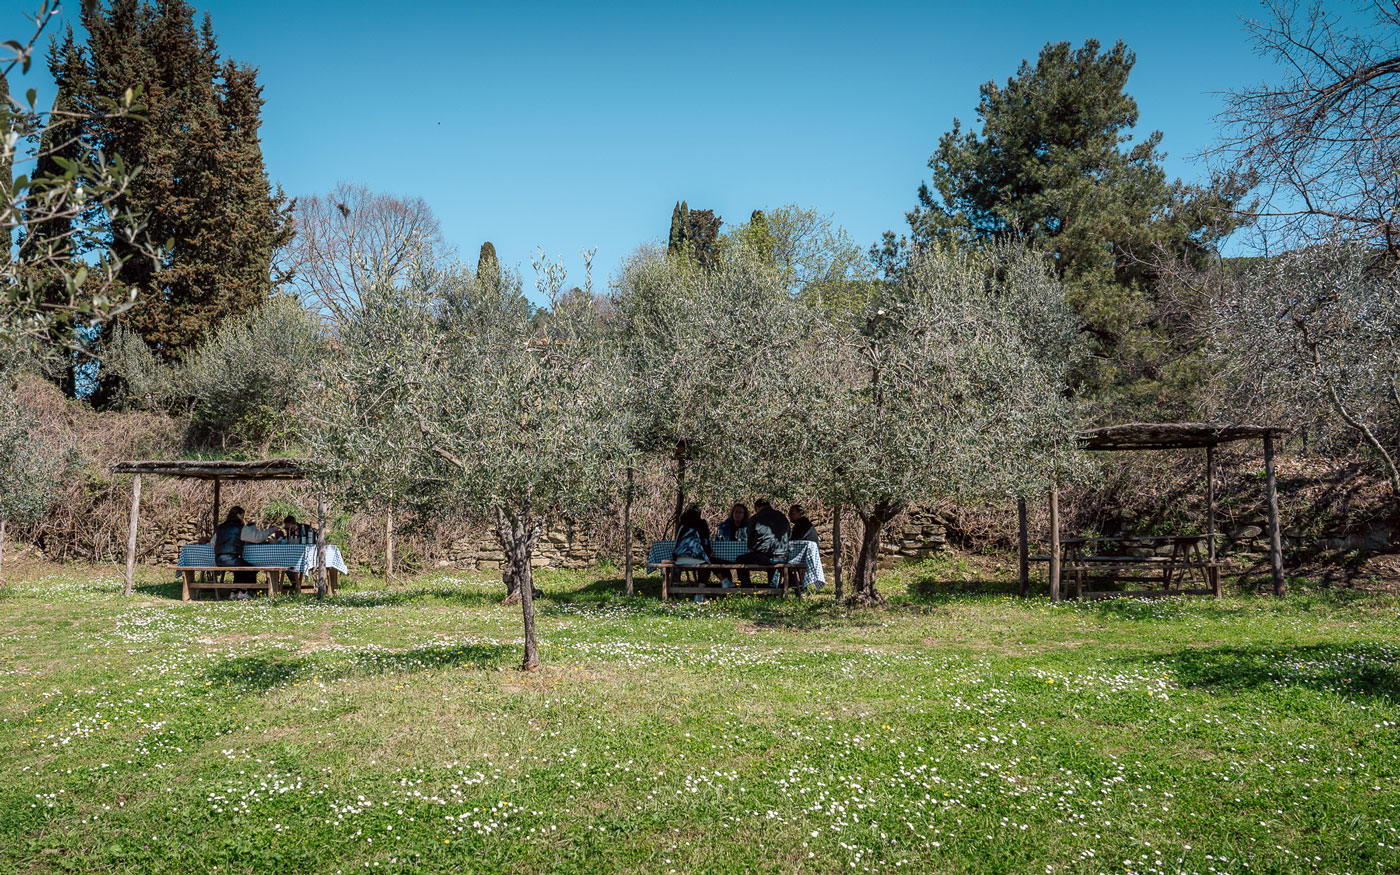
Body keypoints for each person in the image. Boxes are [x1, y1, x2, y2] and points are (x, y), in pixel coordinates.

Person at [734, 498, 790, 586]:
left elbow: (750, 541)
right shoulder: (782, 516)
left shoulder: (755, 518)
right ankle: (772, 589)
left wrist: (753, 548)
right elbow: (788, 535)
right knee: (771, 558)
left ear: (757, 508)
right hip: (783, 557)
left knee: (740, 560)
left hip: (765, 557)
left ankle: (747, 588)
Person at [212, 506, 257, 585]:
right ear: (238, 515)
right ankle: (245, 591)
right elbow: (257, 538)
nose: (243, 518)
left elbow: (212, 542)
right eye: (242, 516)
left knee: (239, 569)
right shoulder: (240, 528)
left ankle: (235, 590)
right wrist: (270, 531)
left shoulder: (221, 527)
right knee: (251, 569)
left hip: (218, 560)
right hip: (231, 559)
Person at [673, 505, 714, 588]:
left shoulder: (681, 524)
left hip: (679, 558)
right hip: (695, 557)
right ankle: (699, 592)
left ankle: (674, 590)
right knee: (707, 566)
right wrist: (709, 552)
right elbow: (705, 541)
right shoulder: (701, 523)